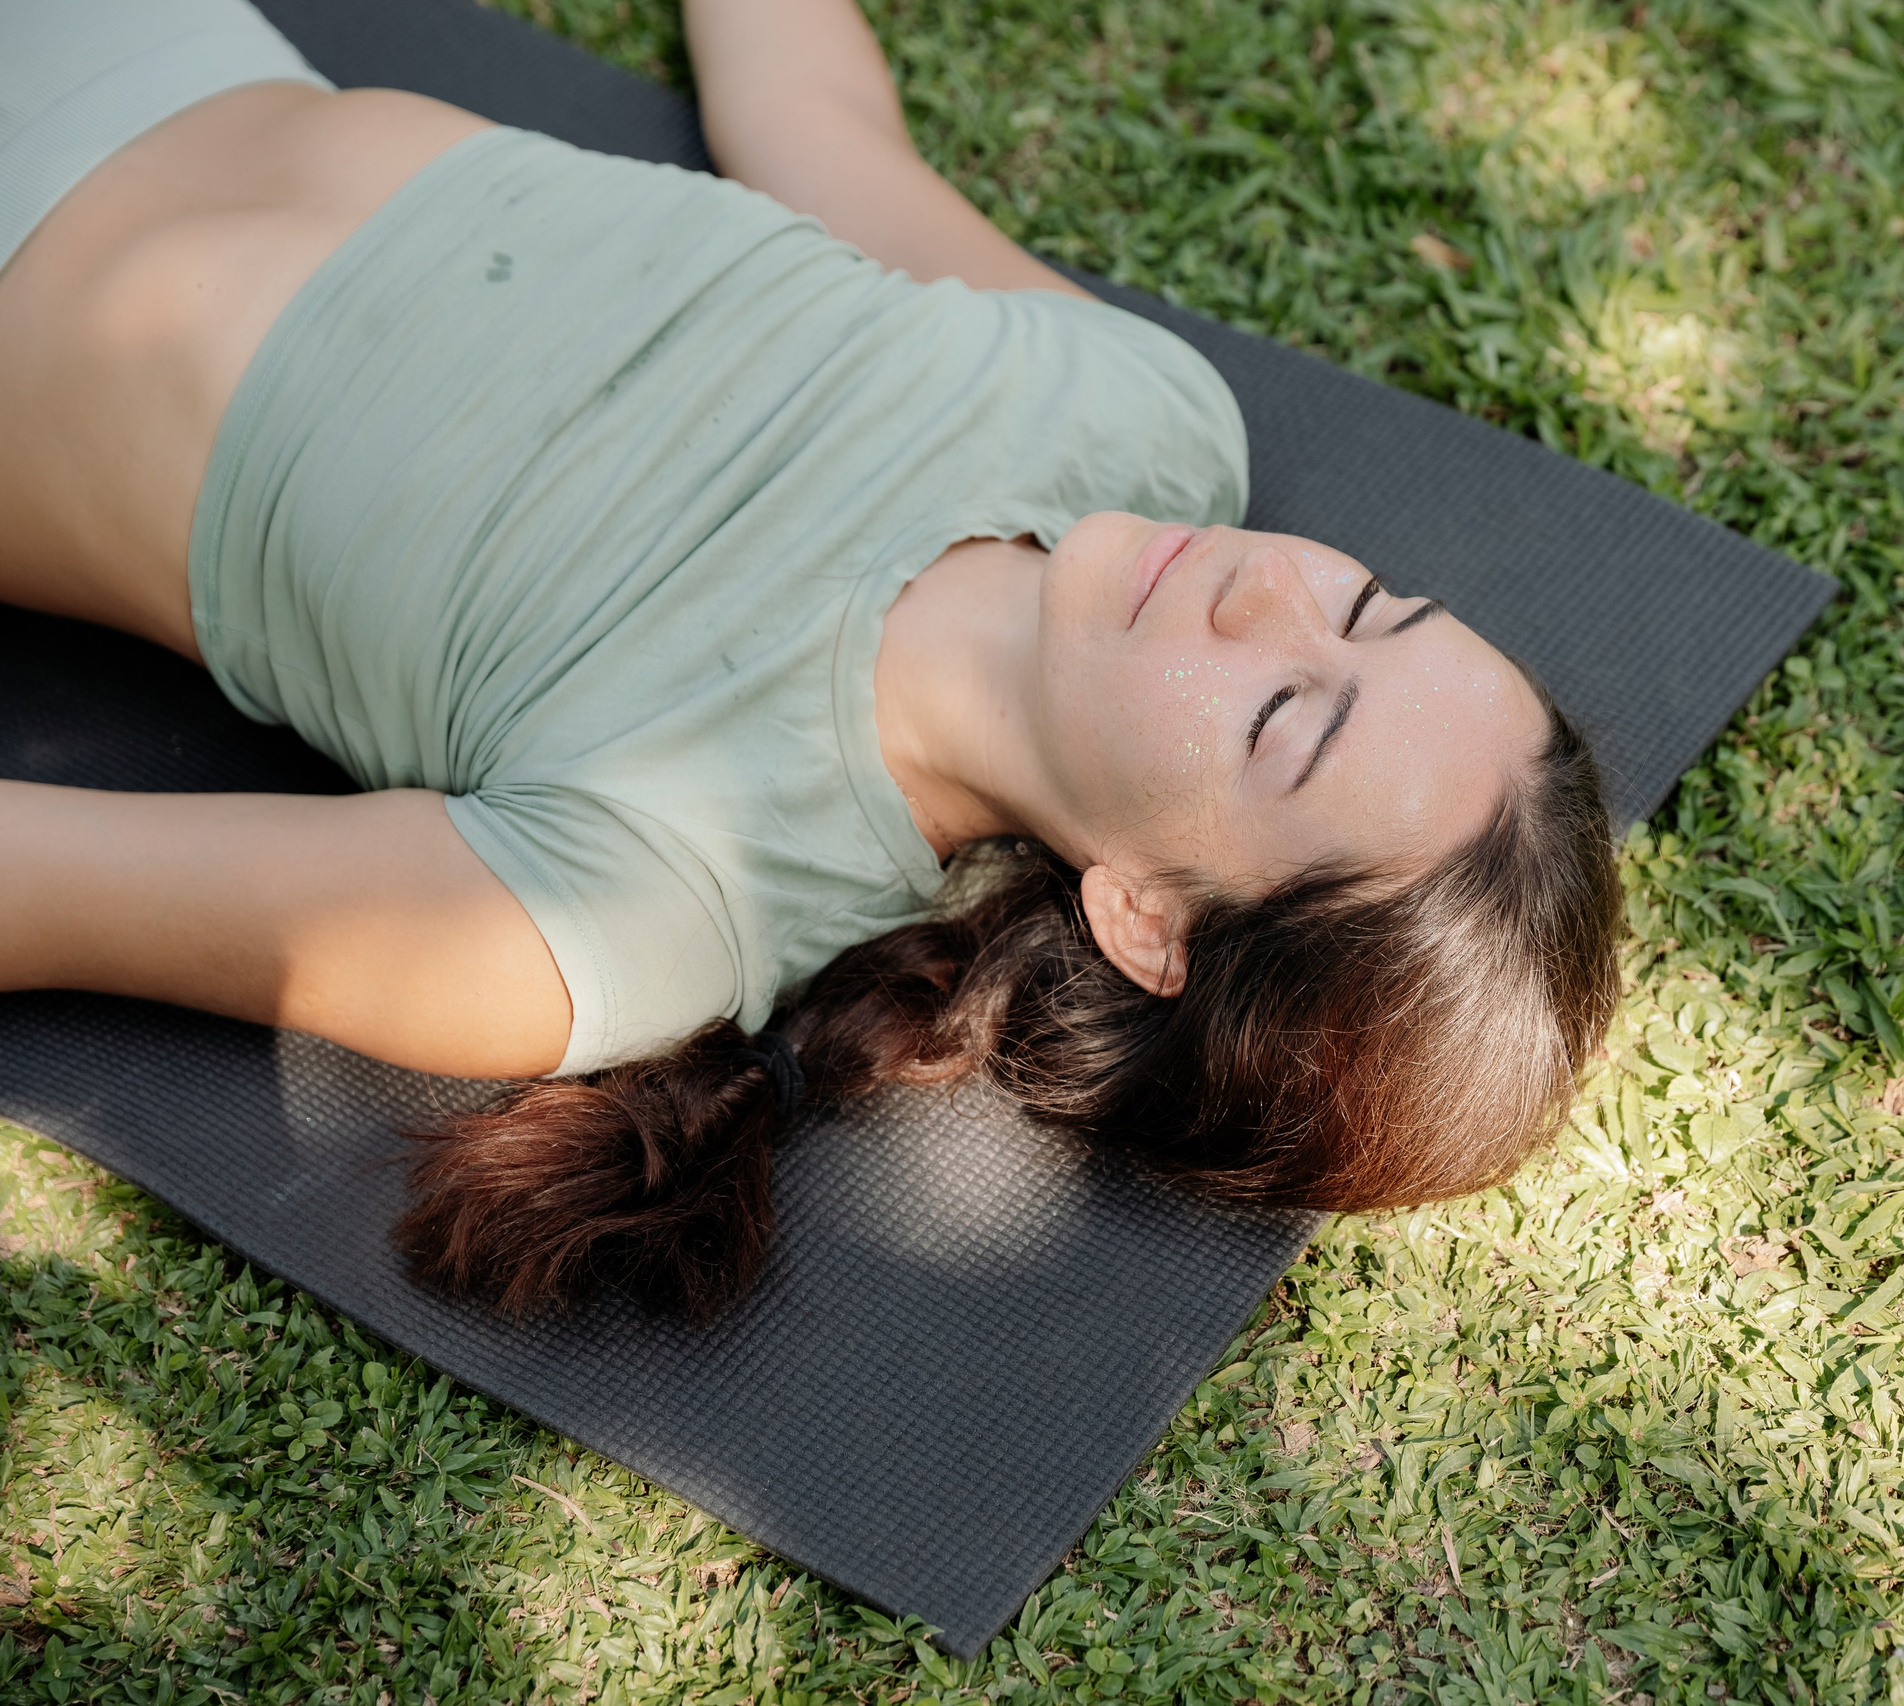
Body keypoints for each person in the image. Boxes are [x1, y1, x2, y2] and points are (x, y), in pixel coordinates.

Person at [0, 0, 1621, 1318]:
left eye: (1280, 717)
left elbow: (42, 882)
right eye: (1369, 602)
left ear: (1146, 916)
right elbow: (818, 126)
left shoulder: (658, 899)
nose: (1271, 588)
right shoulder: (1141, 420)